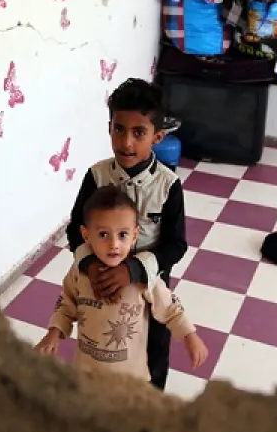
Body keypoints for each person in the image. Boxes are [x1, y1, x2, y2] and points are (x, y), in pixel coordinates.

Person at [62, 78, 191, 390]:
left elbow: (176, 245)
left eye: (139, 133)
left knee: (153, 352)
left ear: (157, 137)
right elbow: (75, 230)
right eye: (119, 129)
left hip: (149, 286)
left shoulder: (169, 185)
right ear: (109, 128)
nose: (127, 143)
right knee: (102, 344)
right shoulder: (97, 176)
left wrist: (133, 270)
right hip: (99, 282)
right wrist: (91, 267)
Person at [37, 185, 207, 381]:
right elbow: (66, 306)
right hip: (86, 374)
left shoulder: (144, 279)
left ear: (135, 235)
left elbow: (171, 309)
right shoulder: (79, 274)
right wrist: (53, 334)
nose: (114, 244)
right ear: (86, 235)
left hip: (130, 380)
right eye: (103, 234)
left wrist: (190, 336)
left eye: (122, 235)